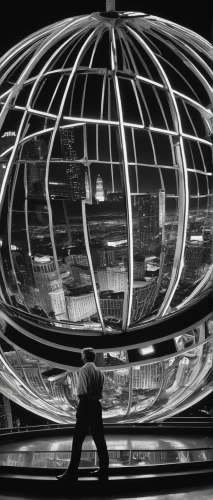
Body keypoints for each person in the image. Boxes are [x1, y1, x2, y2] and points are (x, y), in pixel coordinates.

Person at [57, 347, 109, 482]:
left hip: (86, 406)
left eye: (82, 355)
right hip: (96, 406)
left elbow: (81, 392)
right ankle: (104, 470)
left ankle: (72, 472)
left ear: (85, 356)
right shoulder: (100, 373)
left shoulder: (84, 370)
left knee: (77, 441)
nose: (81, 357)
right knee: (100, 440)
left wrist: (80, 409)